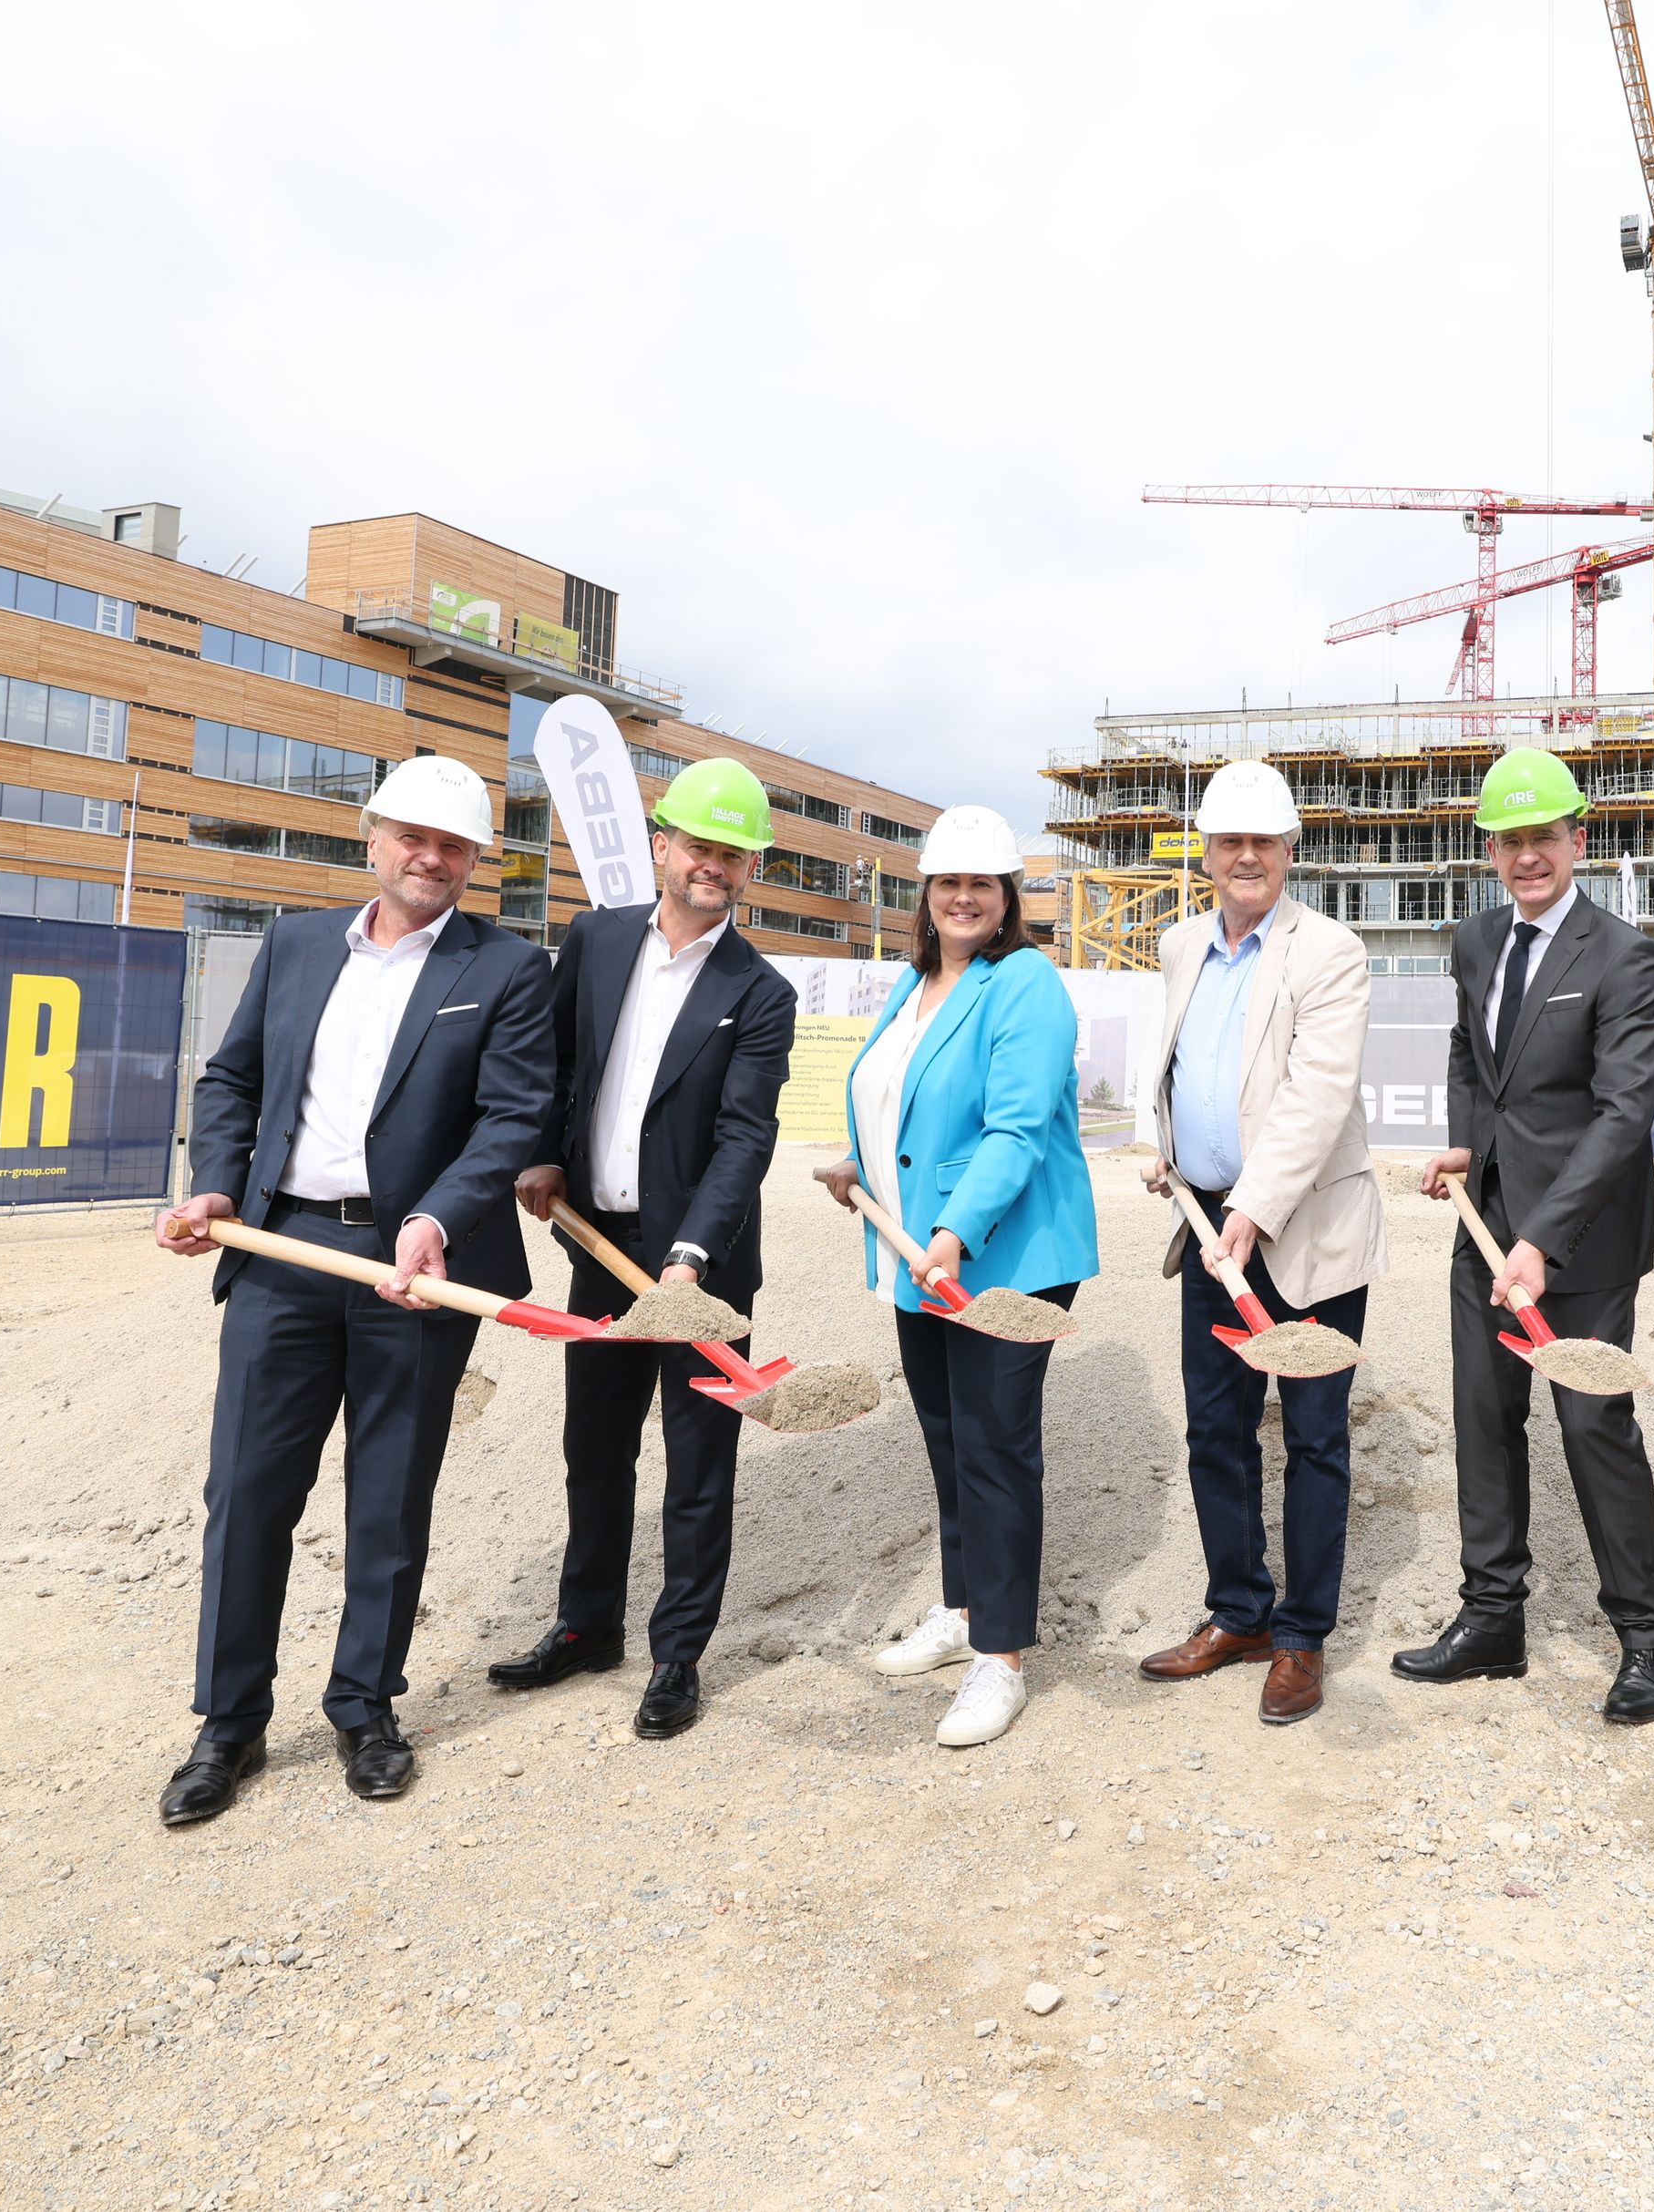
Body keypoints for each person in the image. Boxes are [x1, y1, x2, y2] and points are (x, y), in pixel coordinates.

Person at [152, 754, 551, 1826]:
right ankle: (227, 1725)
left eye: (456, 846)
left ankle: (365, 1705)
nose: (433, 859)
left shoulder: (508, 968)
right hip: (283, 1253)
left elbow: (512, 1120)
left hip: (412, 1269)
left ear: (477, 863)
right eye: (415, 838)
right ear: (373, 838)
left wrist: (432, 1221)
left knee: (387, 1499)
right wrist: (214, 1187)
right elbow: (231, 1079)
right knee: (246, 1494)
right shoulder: (290, 945)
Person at [490, 759, 798, 1739]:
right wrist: (541, 1155)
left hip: (697, 1268)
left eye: (732, 855)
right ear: (662, 847)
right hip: (597, 1247)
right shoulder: (596, 938)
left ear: (747, 871)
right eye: (700, 846)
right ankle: (588, 1628)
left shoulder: (759, 991)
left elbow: (744, 1139)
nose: (713, 866)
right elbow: (556, 1063)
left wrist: (692, 1255)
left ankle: (677, 1655)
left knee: (698, 1461)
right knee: (595, 1447)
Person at [1393, 746, 1654, 1725]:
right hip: (1489, 1227)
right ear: (1491, 850)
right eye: (1509, 842)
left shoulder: (1622, 955)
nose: (1526, 857)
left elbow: (1622, 1113)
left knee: (1592, 1426)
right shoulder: (1474, 941)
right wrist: (1465, 1149)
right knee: (1483, 1416)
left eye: (1542, 838)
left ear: (1577, 840)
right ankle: (1492, 1621)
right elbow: (1469, 1055)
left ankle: (1643, 1640)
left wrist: (1544, 1240)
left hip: (1584, 1239)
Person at [817, 806, 1100, 1748]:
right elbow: (900, 1106)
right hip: (918, 1257)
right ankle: (964, 1610)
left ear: (1007, 897)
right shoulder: (914, 986)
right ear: (925, 896)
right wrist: (862, 1165)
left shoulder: (1024, 984)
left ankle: (1002, 1658)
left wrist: (950, 1231)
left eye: (983, 884)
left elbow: (1016, 1130)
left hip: (1001, 1259)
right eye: (949, 884)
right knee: (948, 1442)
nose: (965, 899)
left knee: (995, 1448)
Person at [1133, 759, 1385, 1727]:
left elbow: (1316, 1098)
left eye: (1263, 843)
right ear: (1206, 853)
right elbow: (1184, 1068)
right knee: (1216, 1428)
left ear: (1289, 852)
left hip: (1304, 1231)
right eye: (1230, 842)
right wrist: (1170, 1156)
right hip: (1206, 1226)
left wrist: (1253, 1209)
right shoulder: (1178, 944)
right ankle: (1237, 1611)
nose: (1246, 857)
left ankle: (1302, 1637)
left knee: (1315, 1436)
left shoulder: (1330, 952)